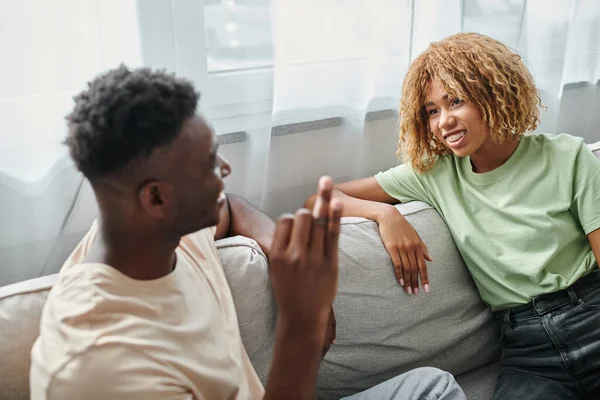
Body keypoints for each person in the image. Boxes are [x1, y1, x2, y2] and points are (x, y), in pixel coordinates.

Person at [30, 65, 466, 400]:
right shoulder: (99, 365)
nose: (225, 170)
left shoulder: (153, 233)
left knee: (433, 387)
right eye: (208, 163)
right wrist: (303, 320)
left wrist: (281, 252)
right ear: (157, 198)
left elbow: (231, 206)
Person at [305, 32, 600, 399]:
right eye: (432, 110)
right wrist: (385, 214)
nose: (443, 121)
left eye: (455, 101)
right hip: (529, 350)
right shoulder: (436, 174)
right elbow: (320, 198)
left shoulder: (569, 157)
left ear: (494, 91)